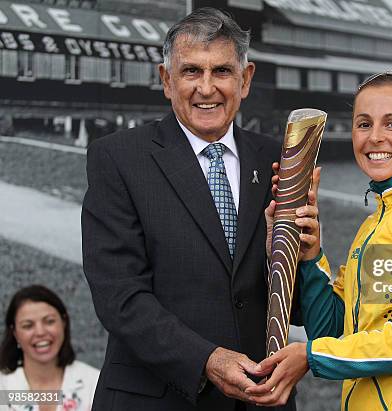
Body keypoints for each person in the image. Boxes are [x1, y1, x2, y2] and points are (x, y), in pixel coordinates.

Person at [81, 7, 309, 411]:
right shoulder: (118, 158)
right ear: (166, 80)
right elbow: (120, 295)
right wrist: (207, 360)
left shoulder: (279, 160)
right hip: (157, 400)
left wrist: (305, 254)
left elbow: (293, 300)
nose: (207, 88)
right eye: (191, 72)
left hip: (260, 401)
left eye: (222, 71)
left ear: (246, 79)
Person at [248, 71, 392, 410]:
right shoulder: (376, 221)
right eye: (363, 124)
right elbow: (333, 331)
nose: (374, 137)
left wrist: (312, 356)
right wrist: (310, 257)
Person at [0, 285, 100, 411]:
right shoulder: (2, 387)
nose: (40, 332)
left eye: (49, 321)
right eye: (28, 325)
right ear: (14, 333)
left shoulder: (94, 383)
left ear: (64, 323)